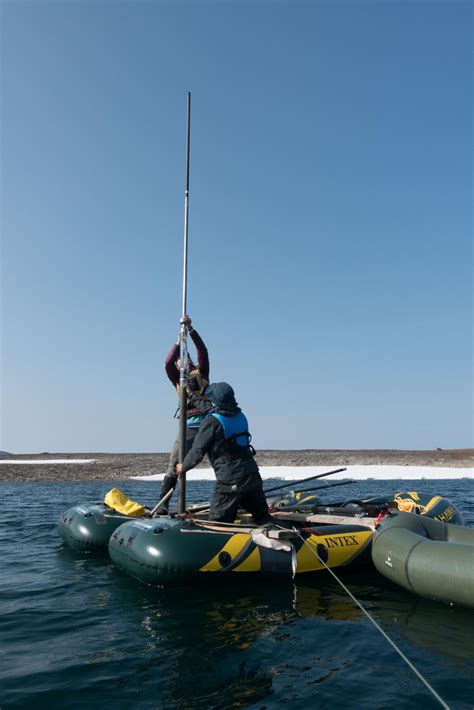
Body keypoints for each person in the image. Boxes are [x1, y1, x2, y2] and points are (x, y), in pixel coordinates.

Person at [176, 382, 272, 525]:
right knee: (263, 518)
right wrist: (191, 394)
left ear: (215, 401)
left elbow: (197, 451)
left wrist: (183, 467)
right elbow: (210, 409)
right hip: (252, 476)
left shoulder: (211, 422)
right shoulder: (240, 414)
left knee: (217, 524)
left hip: (230, 482)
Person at [157, 315, 212, 514]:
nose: (181, 363)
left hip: (208, 425)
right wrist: (179, 340)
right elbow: (167, 362)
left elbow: (203, 352)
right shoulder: (176, 379)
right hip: (187, 427)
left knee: (221, 461)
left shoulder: (202, 372)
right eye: (179, 362)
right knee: (175, 465)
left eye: (184, 359)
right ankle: (163, 505)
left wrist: (192, 330)